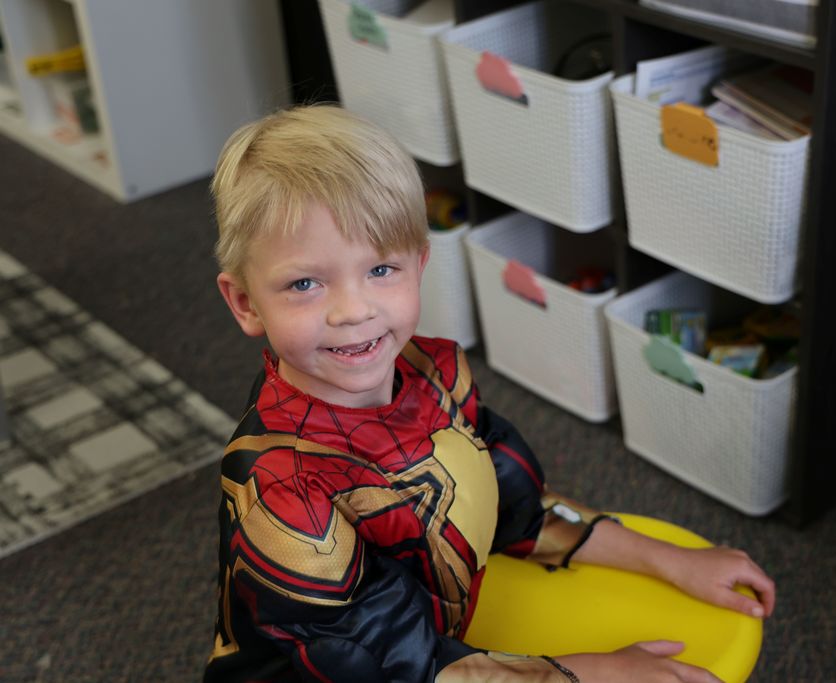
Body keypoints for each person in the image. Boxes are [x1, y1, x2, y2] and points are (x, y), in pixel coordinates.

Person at [205, 104, 775, 683]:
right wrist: (594, 673)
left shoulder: (431, 371)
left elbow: (511, 503)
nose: (354, 311)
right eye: (305, 283)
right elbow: (386, 671)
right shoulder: (282, 489)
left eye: (381, 269)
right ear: (247, 302)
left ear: (420, 264)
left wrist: (669, 560)